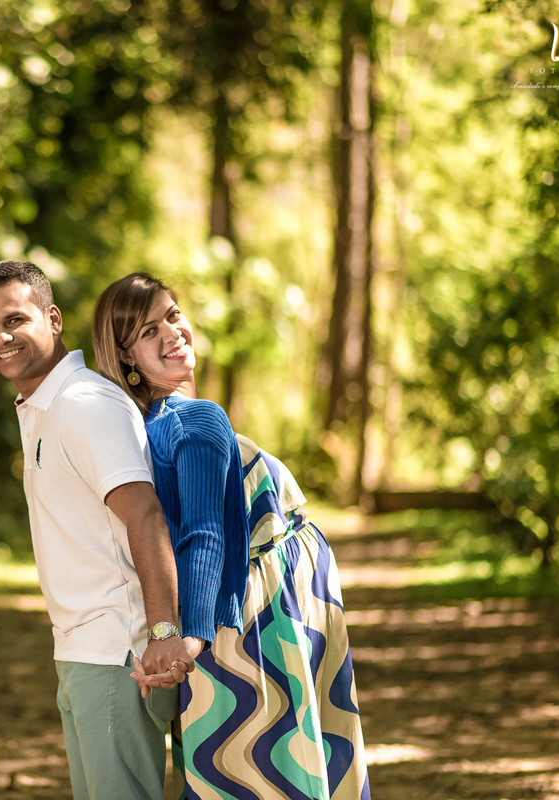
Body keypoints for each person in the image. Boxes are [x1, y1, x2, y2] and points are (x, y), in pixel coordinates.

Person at [92, 272, 371, 800]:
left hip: (260, 592)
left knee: (242, 759)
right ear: (126, 357)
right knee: (272, 760)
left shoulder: (143, 426)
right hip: (257, 604)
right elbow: (204, 535)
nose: (172, 333)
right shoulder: (195, 420)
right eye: (149, 332)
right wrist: (186, 641)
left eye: (173, 315)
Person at [0, 260, 194, 800]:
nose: (1, 338)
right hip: (81, 652)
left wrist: (162, 632)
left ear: (53, 319)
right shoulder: (44, 408)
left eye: (15, 321)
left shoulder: (85, 404)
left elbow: (144, 513)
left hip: (120, 653)